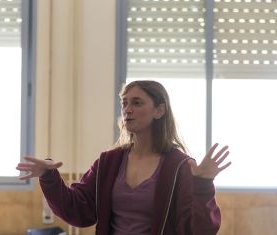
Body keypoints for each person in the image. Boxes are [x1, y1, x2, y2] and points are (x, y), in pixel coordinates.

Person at [16, 80, 231, 235]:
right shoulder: (109, 162)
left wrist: (203, 183)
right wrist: (49, 177)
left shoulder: (180, 166)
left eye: (137, 103)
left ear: (159, 110)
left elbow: (199, 231)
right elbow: (79, 211)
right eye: (124, 103)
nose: (127, 109)